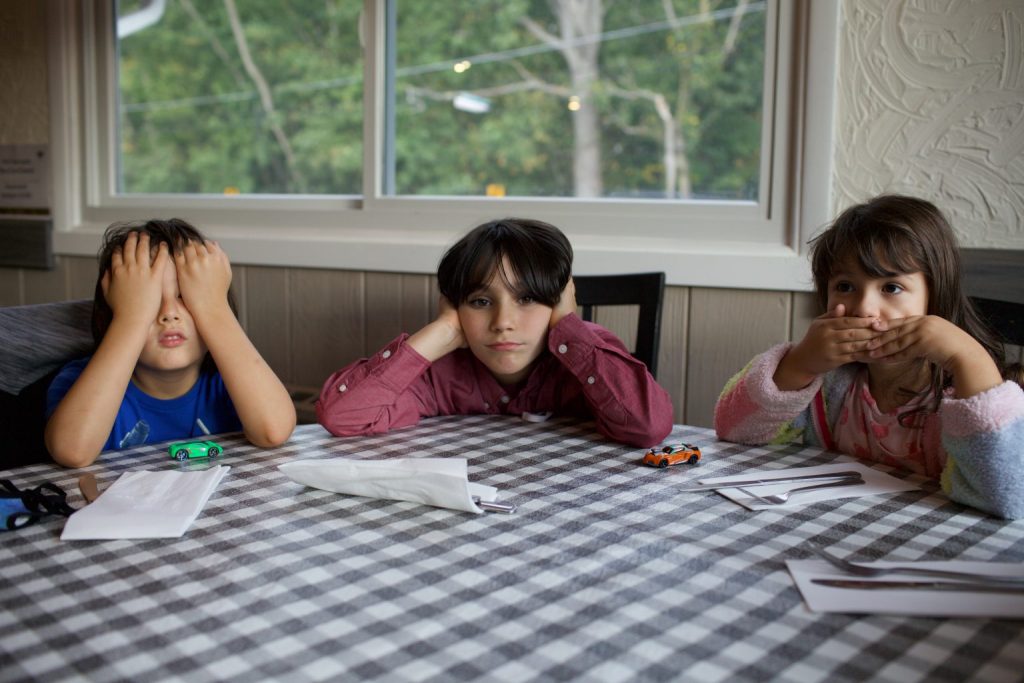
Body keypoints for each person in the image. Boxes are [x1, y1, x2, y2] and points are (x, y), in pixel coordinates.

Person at [714, 194, 1024, 518]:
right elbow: (734, 432)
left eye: (891, 288)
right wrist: (799, 363)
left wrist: (967, 356)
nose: (864, 309)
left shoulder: (970, 392)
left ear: (935, 297)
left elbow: (1009, 495)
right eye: (846, 286)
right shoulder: (826, 384)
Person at [317, 218, 673, 447]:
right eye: (481, 302)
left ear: (560, 302)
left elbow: (648, 426)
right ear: (455, 308)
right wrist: (440, 332)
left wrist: (569, 326)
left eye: (529, 298)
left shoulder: (586, 353)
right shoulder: (437, 374)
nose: (503, 321)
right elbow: (342, 416)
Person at [45, 219, 296, 468]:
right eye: (149, 301)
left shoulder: (232, 383)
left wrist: (214, 308)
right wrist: (131, 317)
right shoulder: (78, 381)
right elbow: (72, 451)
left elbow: (273, 432)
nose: (169, 313)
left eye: (185, 297)